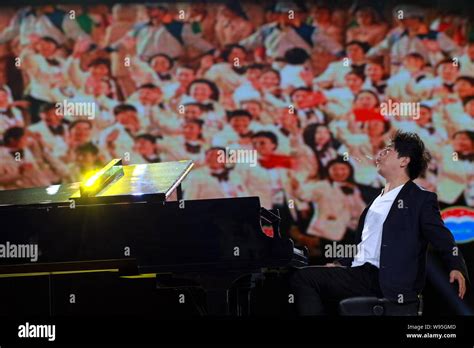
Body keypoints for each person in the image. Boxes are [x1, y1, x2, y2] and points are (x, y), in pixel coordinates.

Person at [290, 131, 469, 315]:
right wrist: (338, 264)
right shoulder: (375, 201)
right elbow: (364, 247)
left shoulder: (420, 198)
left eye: (389, 150)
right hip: (359, 273)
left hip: (384, 278)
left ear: (404, 161)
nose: (381, 153)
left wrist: (455, 266)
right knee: (303, 278)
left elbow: (441, 236)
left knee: (305, 278)